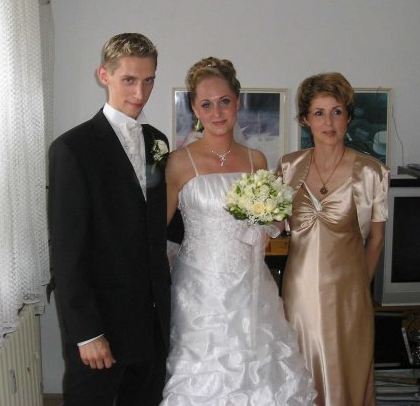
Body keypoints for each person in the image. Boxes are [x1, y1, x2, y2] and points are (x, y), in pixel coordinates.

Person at [161, 57, 316, 405]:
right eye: (206, 104)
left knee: (259, 373)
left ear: (238, 102)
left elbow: (269, 222)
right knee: (203, 377)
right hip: (200, 292)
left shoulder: (256, 160)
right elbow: (155, 232)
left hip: (251, 287)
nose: (217, 112)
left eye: (224, 101)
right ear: (194, 108)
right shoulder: (178, 162)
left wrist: (271, 224)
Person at [48, 33, 171, 405]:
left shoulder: (157, 142)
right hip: (100, 327)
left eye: (148, 80)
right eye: (129, 80)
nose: (140, 92)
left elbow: (158, 224)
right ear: (104, 75)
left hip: (150, 326)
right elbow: (67, 251)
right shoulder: (72, 148)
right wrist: (86, 333)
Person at [278, 72, 389, 406]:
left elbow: (377, 240)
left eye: (337, 112)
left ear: (348, 117)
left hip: (349, 296)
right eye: (319, 113)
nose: (329, 122)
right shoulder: (288, 167)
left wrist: (359, 286)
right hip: (298, 296)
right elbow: (275, 226)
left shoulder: (371, 171)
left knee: (347, 378)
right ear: (305, 119)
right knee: (301, 375)